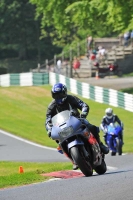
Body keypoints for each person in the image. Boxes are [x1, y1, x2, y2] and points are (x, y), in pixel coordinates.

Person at [45, 83, 109, 170]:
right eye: (56, 95)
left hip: (77, 121)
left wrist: (83, 114)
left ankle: (100, 145)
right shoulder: (51, 106)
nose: (58, 97)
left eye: (60, 94)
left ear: (64, 92)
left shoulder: (71, 98)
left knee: (91, 127)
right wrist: (49, 129)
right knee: (60, 143)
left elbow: (84, 105)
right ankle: (73, 160)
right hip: (63, 128)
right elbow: (47, 120)